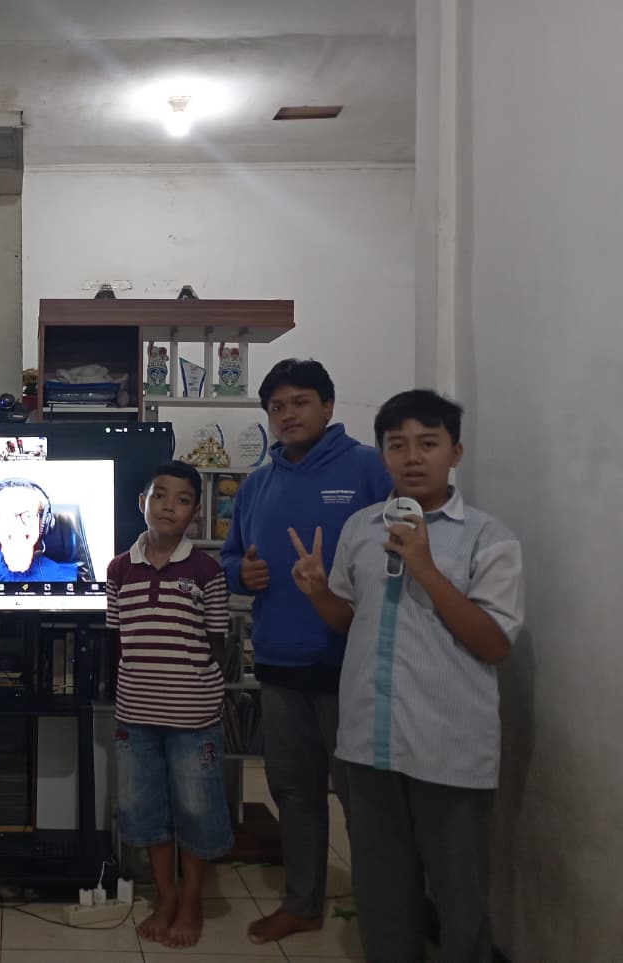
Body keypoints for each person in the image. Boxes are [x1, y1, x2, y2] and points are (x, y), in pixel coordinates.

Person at [289, 390, 524, 962]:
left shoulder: (489, 538)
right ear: (383, 454)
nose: (412, 457)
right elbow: (349, 620)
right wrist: (318, 593)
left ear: (455, 452)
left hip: (448, 748)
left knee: (459, 897)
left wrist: (425, 567)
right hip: (368, 743)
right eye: (398, 445)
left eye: (428, 443)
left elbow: (494, 644)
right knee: (381, 894)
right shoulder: (361, 528)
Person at [218, 359, 391, 945]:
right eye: (277, 406)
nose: (288, 414)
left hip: (353, 665)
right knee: (293, 792)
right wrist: (241, 572)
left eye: (301, 402)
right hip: (278, 663)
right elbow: (231, 558)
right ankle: (302, 904)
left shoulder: (368, 468)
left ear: (328, 407)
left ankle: (385, 917)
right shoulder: (256, 484)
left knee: (365, 800)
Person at [108, 460, 232, 949]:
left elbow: (216, 641)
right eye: (159, 495)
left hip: (192, 717)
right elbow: (117, 639)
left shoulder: (207, 571)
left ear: (195, 514)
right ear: (143, 502)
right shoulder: (119, 569)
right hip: (135, 716)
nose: (168, 507)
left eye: (182, 500)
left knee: (196, 809)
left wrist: (196, 684)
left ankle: (192, 898)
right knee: (143, 808)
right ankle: (165, 896)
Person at [0, 478, 79, 582]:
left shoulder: (64, 578)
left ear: (42, 524)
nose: (18, 524)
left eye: (28, 516)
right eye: (7, 516)